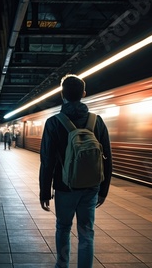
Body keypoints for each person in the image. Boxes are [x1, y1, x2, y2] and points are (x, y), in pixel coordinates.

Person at [39, 74, 112, 268]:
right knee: (86, 232)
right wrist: (104, 189)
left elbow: (47, 161)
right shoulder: (97, 121)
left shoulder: (54, 123)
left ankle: (62, 265)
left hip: (65, 187)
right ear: (84, 94)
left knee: (63, 227)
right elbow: (107, 157)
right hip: (91, 187)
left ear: (62, 94)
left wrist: (45, 191)